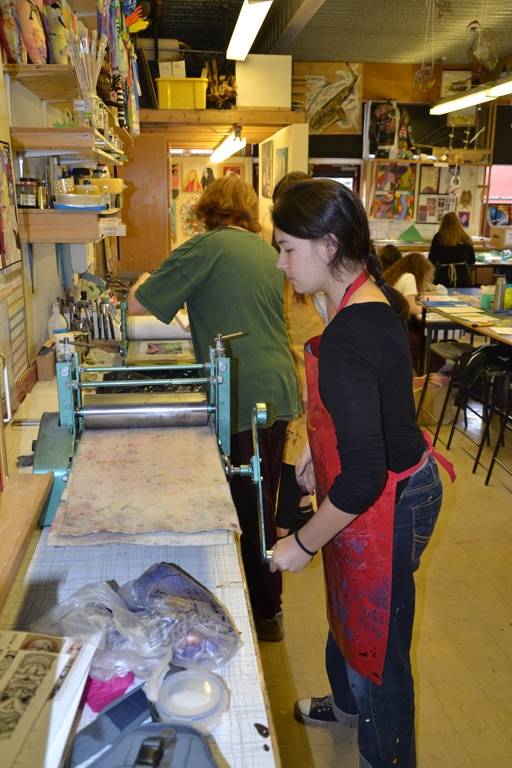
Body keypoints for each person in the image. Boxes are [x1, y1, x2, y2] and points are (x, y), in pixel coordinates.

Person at [270, 179, 454, 768]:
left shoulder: (354, 328)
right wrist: (313, 444)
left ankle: (386, 754)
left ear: (328, 245)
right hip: (382, 484)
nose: (281, 264)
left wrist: (302, 542)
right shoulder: (366, 299)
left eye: (287, 249)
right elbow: (370, 402)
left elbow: (365, 475)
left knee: (379, 642)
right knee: (348, 602)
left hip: (392, 498)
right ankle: (348, 702)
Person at [128, 175, 300, 642]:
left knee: (251, 509)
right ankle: (263, 603)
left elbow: (138, 304)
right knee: (262, 500)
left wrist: (145, 280)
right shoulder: (264, 250)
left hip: (244, 390)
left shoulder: (206, 246)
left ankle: (266, 612)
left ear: (206, 211)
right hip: (276, 384)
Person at [271, 171, 325, 538]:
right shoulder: (285, 257)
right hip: (295, 360)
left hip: (308, 364)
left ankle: (286, 527)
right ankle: (301, 509)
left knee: (297, 448)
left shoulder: (309, 263)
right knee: (298, 447)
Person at [428, 211, 476, 287]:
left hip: (443, 276)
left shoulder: (438, 237)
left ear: (443, 223)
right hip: (462, 277)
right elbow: (472, 260)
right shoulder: (465, 237)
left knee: (442, 294)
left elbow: (431, 259)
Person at [383, 251, 433, 318]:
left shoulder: (396, 275)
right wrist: (429, 309)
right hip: (396, 319)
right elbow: (411, 309)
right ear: (420, 273)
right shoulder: (409, 277)